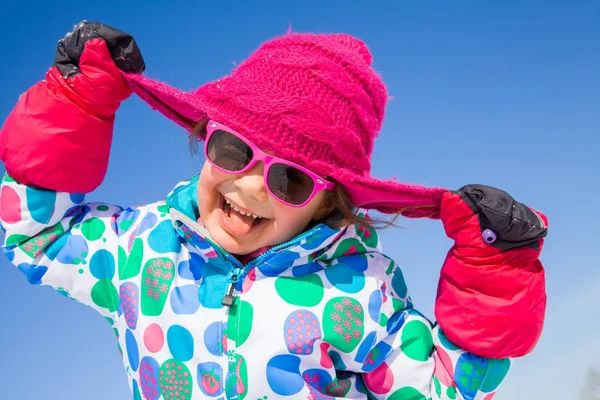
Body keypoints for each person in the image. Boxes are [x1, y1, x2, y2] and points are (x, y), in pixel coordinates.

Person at [0, 22, 548, 399]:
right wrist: (72, 104)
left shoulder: (356, 291)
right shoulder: (138, 252)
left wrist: (495, 275)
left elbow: (442, 390)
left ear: (329, 201)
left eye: (289, 178)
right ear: (204, 139)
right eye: (233, 151)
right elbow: (32, 235)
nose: (251, 187)